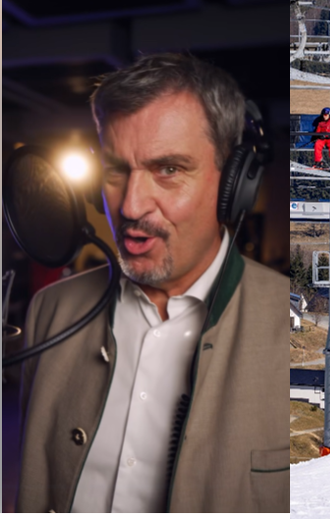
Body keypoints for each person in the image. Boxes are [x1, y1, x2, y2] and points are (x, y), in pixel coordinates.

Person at [16, 53, 288, 513]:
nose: (131, 206)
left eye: (168, 170)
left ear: (234, 182)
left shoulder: (289, 324)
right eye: (116, 170)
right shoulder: (51, 311)